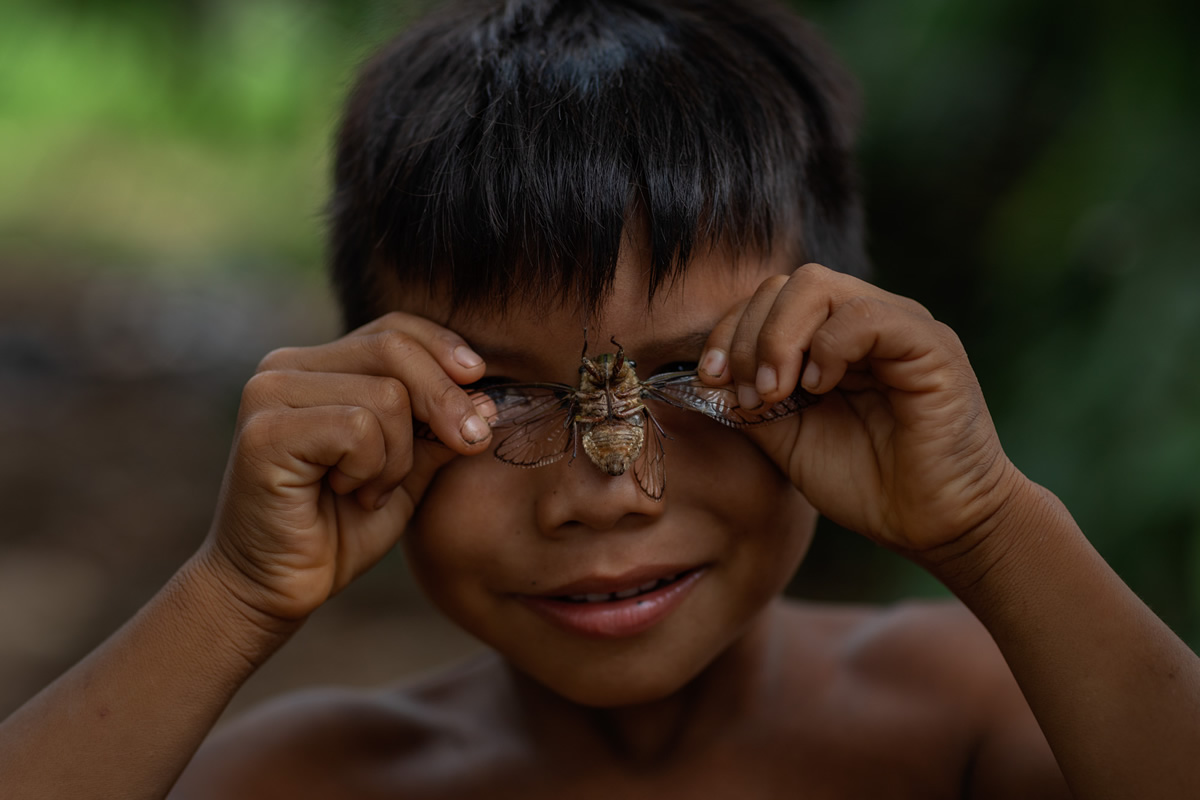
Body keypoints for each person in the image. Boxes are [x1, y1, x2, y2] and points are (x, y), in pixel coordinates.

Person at [3, 0, 1197, 797]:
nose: (608, 491)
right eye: (504, 392)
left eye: (700, 378)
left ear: (834, 361)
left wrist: (990, 522)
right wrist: (232, 593)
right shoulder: (307, 777)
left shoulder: (968, 708)